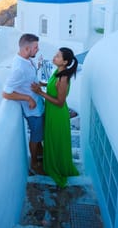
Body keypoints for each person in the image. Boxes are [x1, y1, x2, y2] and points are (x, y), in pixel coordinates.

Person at [31, 47, 79, 187]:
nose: (54, 57)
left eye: (58, 56)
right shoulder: (58, 72)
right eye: (56, 55)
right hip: (52, 112)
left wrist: (40, 92)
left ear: (65, 62)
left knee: (56, 141)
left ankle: (58, 167)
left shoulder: (64, 78)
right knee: (51, 139)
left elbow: (60, 102)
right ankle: (53, 163)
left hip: (57, 114)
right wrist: (43, 84)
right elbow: (53, 86)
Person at [2, 33, 44, 175]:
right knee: (35, 136)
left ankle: (40, 153)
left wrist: (43, 84)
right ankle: (34, 162)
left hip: (39, 105)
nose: (38, 49)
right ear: (26, 49)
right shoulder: (19, 68)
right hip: (33, 111)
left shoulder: (26, 60)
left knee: (39, 135)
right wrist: (28, 98)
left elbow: (30, 79)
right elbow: (6, 93)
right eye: (35, 47)